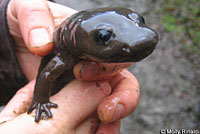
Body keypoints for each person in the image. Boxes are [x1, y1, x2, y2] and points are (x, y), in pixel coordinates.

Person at [0, 0, 140, 133]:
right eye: (103, 36)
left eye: (139, 20)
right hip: (52, 86)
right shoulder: (63, 57)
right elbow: (46, 75)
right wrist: (41, 101)